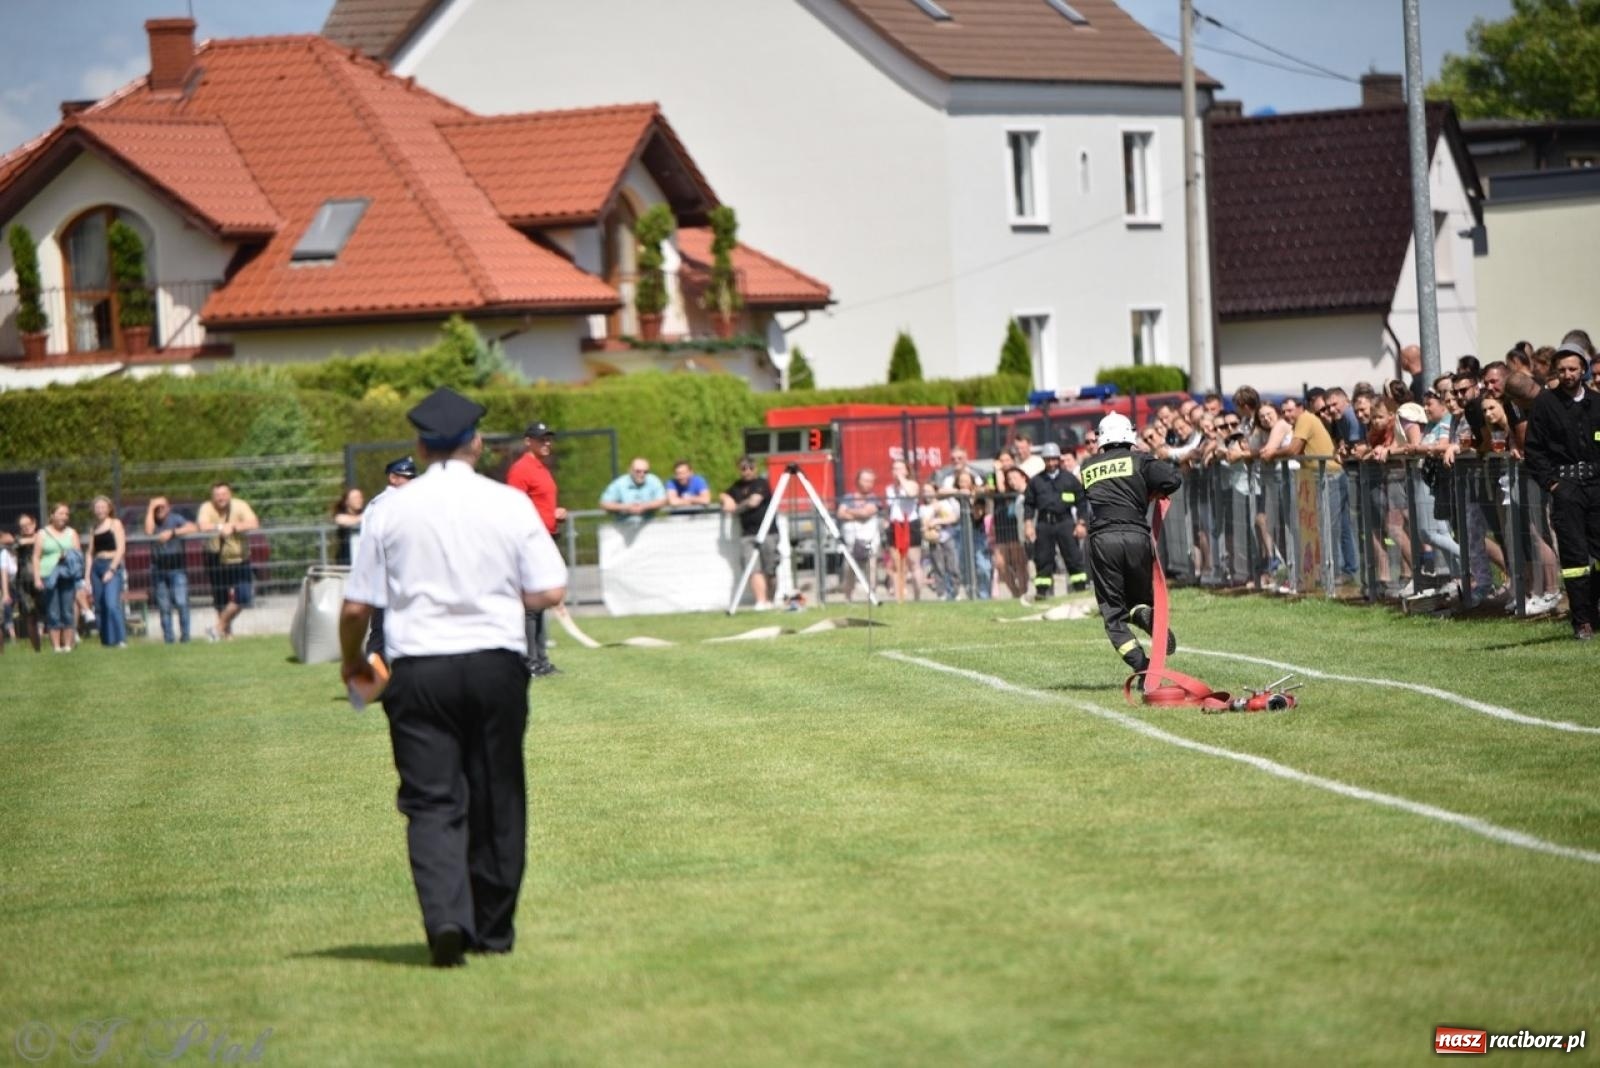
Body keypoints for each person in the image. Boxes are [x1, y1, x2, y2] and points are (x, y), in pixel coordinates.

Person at [340, 387, 568, 967]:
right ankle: (492, 930)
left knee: (431, 800)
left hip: (418, 667)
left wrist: (353, 662)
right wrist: (494, 593)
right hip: (495, 662)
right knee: (498, 795)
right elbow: (550, 589)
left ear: (419, 444)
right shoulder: (508, 503)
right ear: (477, 442)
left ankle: (445, 917)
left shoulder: (388, 509)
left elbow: (356, 606)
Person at [1078, 412, 1183, 674]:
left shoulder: (1087, 466)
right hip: (1136, 535)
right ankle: (1142, 613)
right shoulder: (1140, 460)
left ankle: (1141, 665)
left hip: (1103, 538)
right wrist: (1149, 491)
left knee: (1113, 612)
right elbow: (1172, 479)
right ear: (1129, 435)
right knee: (1141, 596)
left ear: (1101, 437)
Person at [1522, 343, 1600, 639]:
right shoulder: (1545, 403)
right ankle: (1581, 621)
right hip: (1566, 491)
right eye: (1562, 370)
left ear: (1584, 370)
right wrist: (1553, 484)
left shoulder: (1596, 402)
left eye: (1573, 369)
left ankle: (1594, 609)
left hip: (1596, 487)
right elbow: (1534, 450)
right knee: (1575, 559)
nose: (1567, 375)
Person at [507, 423, 567, 677]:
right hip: (530, 543)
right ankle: (530, 661)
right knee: (531, 605)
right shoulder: (521, 469)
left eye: (548, 439)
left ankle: (541, 658)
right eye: (541, 439)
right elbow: (514, 507)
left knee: (541, 604)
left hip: (545, 539)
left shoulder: (541, 468)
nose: (547, 443)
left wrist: (554, 517)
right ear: (527, 441)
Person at [362, 456, 418, 664]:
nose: (411, 481)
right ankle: (371, 678)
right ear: (393, 478)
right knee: (381, 631)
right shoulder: (383, 505)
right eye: (406, 477)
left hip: (404, 574)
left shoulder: (407, 502)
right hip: (385, 575)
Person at [1022, 442, 1088, 601]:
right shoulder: (1036, 481)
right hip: (1044, 524)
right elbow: (1029, 505)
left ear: (1058, 459)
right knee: (1043, 559)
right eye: (1047, 459)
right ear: (1043, 460)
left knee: (1073, 558)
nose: (1051, 463)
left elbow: (1081, 502)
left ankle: (1080, 591)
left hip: (1065, 522)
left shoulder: (1070, 479)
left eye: (1054, 459)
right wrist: (1028, 524)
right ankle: (1042, 593)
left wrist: (1081, 523)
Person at [197, 482, 260, 641]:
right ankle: (226, 634)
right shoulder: (206, 507)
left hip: (240, 559)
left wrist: (233, 527)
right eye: (217, 495)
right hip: (216, 558)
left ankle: (217, 628)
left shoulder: (240, 505)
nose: (221, 498)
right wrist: (220, 527)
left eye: (224, 494)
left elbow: (253, 523)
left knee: (244, 597)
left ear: (230, 494)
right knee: (220, 599)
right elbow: (202, 525)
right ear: (212, 497)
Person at [720, 455, 778, 611]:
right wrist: (726, 499)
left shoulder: (762, 483)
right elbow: (724, 495)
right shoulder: (736, 486)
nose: (747, 471)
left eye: (750, 467)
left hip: (767, 532)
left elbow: (754, 501)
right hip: (748, 534)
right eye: (744, 468)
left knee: (770, 568)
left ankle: (770, 599)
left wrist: (736, 507)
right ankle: (761, 601)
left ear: (755, 468)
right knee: (753, 568)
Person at [144, 496, 198, 644]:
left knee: (181, 602)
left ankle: (185, 637)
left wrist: (172, 533)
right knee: (164, 606)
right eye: (156, 508)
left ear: (169, 507)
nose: (159, 510)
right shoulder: (152, 521)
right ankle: (169, 638)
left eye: (162, 507)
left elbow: (193, 527)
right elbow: (148, 532)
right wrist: (150, 507)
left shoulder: (176, 519)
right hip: (158, 569)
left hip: (177, 568)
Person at [33, 502, 81, 653]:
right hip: (49, 575)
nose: (64, 517)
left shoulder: (72, 533)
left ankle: (67, 645)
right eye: (61, 513)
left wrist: (68, 555)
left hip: (67, 576)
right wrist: (37, 578)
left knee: (67, 611)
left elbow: (78, 555)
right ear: (52, 515)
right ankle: (56, 647)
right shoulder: (42, 534)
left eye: (66, 514)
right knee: (53, 612)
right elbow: (36, 557)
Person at [85, 495, 128, 648]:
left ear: (109, 508)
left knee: (111, 603)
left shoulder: (115, 524)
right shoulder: (94, 528)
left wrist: (112, 569)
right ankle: (106, 641)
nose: (100, 510)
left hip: (111, 564)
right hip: (97, 566)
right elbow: (90, 553)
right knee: (100, 605)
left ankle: (121, 639)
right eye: (97, 507)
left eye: (103, 507)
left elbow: (121, 548)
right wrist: (87, 577)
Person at [883, 458, 925, 603]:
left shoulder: (912, 484)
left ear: (907, 471)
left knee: (913, 562)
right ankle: (899, 598)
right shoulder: (889, 488)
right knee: (897, 563)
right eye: (894, 469)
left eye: (900, 468)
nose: (896, 471)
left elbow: (911, 493)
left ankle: (918, 596)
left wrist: (902, 479)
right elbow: (890, 507)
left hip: (910, 524)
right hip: (895, 525)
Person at [836, 468, 881, 602]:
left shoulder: (874, 498)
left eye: (870, 481)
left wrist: (850, 511)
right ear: (858, 481)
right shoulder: (848, 498)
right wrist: (860, 513)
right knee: (848, 569)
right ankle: (848, 597)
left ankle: (871, 597)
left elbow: (867, 513)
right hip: (851, 541)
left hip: (870, 540)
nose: (868, 484)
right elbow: (840, 514)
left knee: (871, 569)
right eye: (865, 480)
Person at [9, 515, 42, 652]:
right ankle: (37, 649)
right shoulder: (18, 540)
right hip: (24, 583)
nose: (26, 528)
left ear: (34, 524)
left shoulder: (43, 536)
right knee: (30, 616)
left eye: (28, 524)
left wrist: (36, 539)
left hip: (43, 579)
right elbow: (16, 544)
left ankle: (60, 646)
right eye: (22, 526)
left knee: (50, 614)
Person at [600, 458, 666, 524]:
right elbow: (604, 504)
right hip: (623, 526)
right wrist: (626, 507)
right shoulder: (619, 483)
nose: (642, 474)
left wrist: (644, 506)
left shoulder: (654, 480)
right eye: (638, 471)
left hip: (648, 526)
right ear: (630, 470)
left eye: (645, 472)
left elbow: (662, 500)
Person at [331, 487, 366, 567]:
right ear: (347, 502)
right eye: (355, 498)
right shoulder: (340, 516)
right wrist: (365, 517)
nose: (359, 500)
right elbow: (340, 520)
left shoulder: (365, 514)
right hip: (347, 561)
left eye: (360, 497)